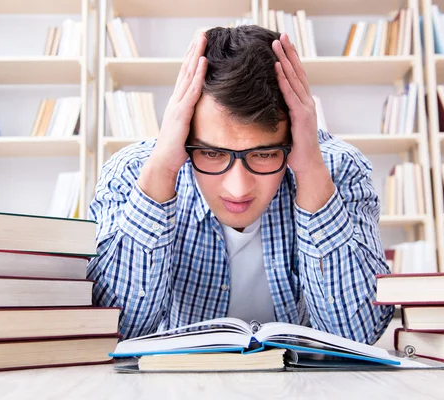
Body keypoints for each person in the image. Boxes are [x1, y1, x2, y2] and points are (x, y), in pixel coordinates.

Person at [87, 25, 394, 345]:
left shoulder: (339, 170)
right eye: (211, 153)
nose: (237, 188)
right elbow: (112, 333)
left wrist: (311, 172)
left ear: (291, 139)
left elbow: (356, 335)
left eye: (264, 154)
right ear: (185, 135)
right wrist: (162, 170)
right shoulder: (132, 173)